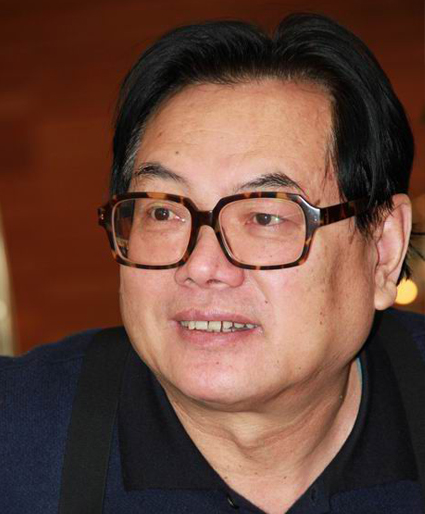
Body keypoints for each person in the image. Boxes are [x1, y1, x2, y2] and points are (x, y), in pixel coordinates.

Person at [1, 12, 424, 514]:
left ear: (383, 249)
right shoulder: (16, 441)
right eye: (163, 212)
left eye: (265, 216)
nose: (202, 266)